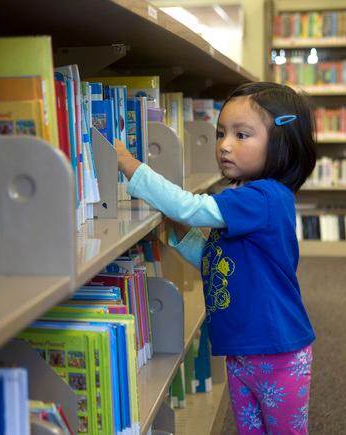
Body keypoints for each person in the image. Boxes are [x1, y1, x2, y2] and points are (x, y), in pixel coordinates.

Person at [116, 82, 316, 434]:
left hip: (277, 351)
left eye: (242, 135)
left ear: (281, 142)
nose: (224, 145)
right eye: (221, 133)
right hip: (241, 349)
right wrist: (180, 237)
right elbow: (220, 266)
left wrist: (133, 168)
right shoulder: (243, 199)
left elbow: (189, 207)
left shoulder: (264, 198)